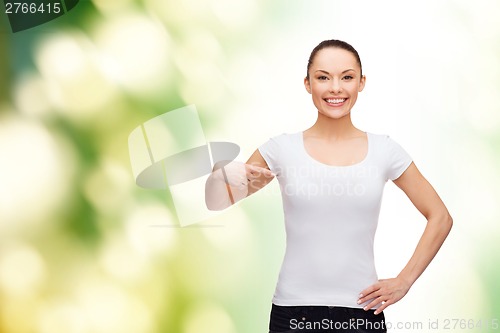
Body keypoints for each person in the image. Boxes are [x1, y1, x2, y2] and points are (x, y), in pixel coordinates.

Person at [205, 39, 453, 333]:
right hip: (292, 312)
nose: (335, 88)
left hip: (362, 313)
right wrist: (224, 172)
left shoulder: (385, 150)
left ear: (361, 83)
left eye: (346, 77)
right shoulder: (280, 149)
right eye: (323, 77)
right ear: (308, 84)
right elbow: (217, 201)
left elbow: (440, 217)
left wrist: (404, 281)